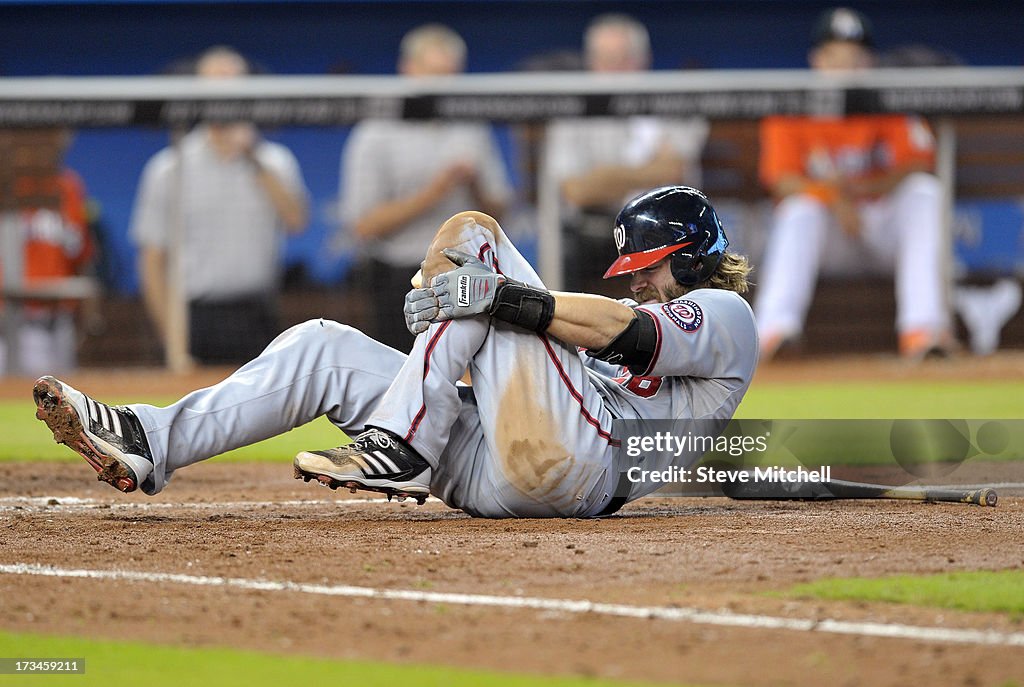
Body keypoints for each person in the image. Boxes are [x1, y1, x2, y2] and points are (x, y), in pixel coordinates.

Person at [33, 186, 757, 519]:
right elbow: (544, 353)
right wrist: (454, 308)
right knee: (322, 346)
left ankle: (401, 444)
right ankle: (149, 440)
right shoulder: (625, 306)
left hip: (586, 465)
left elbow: (628, 335)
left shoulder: (728, 315)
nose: (640, 278)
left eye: (653, 265)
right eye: (634, 270)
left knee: (475, 231)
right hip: (499, 467)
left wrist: (487, 296)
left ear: (697, 258)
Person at [754, 7, 952, 361]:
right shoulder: (793, 103)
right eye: (837, 56)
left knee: (925, 193)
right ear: (818, 60)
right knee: (800, 211)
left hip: (878, 228)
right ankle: (774, 333)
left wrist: (860, 192)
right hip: (830, 236)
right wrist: (834, 197)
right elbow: (782, 182)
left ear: (869, 61)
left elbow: (919, 162)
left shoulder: (885, 99)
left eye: (856, 57)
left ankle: (923, 331)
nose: (847, 66)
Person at [339, 24, 513, 352]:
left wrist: (474, 184)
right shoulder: (375, 131)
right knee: (401, 378)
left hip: (469, 274)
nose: (441, 86)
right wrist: (435, 192)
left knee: (471, 380)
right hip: (400, 278)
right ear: (408, 69)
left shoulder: (471, 127)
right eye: (432, 74)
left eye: (449, 76)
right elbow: (363, 225)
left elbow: (500, 212)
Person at [131, 46, 310, 365]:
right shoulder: (169, 167)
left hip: (258, 314)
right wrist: (172, 339)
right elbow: (152, 262)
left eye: (234, 82)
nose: (226, 93)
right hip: (195, 317)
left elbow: (296, 221)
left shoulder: (275, 162)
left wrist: (252, 156)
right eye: (216, 82)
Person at [542, 14, 709, 292]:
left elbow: (673, 172)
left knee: (694, 245)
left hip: (666, 229)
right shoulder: (572, 111)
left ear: (644, 60)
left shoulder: (670, 102)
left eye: (624, 59)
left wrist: (607, 175)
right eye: (605, 60)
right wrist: (646, 171)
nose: (615, 70)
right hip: (598, 231)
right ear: (591, 63)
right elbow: (576, 191)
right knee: (564, 246)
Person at [0, 128, 95, 377]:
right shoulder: (6, 187)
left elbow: (81, 257)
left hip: (58, 325)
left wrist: (85, 317)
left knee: (60, 409)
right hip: (8, 323)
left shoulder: (68, 186)